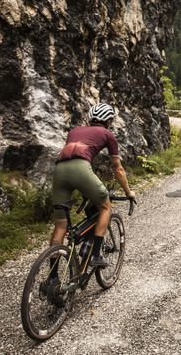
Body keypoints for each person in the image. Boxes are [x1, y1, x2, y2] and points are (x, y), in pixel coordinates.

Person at [49, 103, 136, 271]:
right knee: (105, 205)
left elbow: (73, 157)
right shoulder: (107, 134)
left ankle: (52, 278)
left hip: (59, 170)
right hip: (81, 169)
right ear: (109, 121)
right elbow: (118, 168)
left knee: (60, 225)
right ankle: (96, 254)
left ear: (91, 118)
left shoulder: (74, 132)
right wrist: (128, 192)